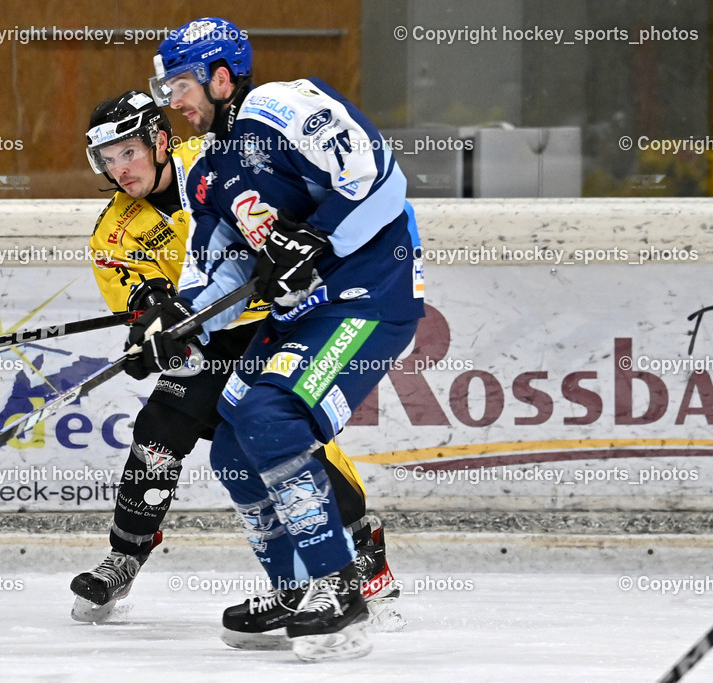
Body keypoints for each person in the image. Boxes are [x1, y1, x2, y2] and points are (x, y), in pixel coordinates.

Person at [124, 18, 425, 662]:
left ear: (221, 77)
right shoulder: (207, 171)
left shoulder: (283, 107)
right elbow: (218, 273)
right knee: (232, 440)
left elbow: (380, 179)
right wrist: (172, 325)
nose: (169, 101)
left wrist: (320, 243)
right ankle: (295, 589)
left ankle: (338, 584)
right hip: (302, 315)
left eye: (178, 84)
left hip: (371, 295)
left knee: (269, 411)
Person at [72, 90, 402, 645]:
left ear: (158, 138)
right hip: (207, 337)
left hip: (277, 322)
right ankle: (124, 555)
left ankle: (361, 551)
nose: (119, 169)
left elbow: (295, 198)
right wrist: (151, 316)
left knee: (278, 432)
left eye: (127, 152)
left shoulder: (217, 156)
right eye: (107, 160)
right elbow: (139, 307)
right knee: (158, 431)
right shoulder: (114, 232)